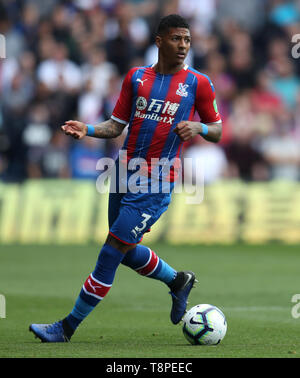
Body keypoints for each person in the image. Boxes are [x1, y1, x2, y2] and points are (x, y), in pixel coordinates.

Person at [29, 14, 222, 342]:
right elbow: (116, 126)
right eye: (177, 39)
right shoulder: (136, 78)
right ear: (159, 41)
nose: (184, 46)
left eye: (187, 40)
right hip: (122, 172)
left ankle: (66, 327)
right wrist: (87, 129)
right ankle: (178, 281)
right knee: (126, 250)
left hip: (157, 181)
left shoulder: (199, 83)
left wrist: (200, 127)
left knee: (110, 252)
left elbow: (217, 129)